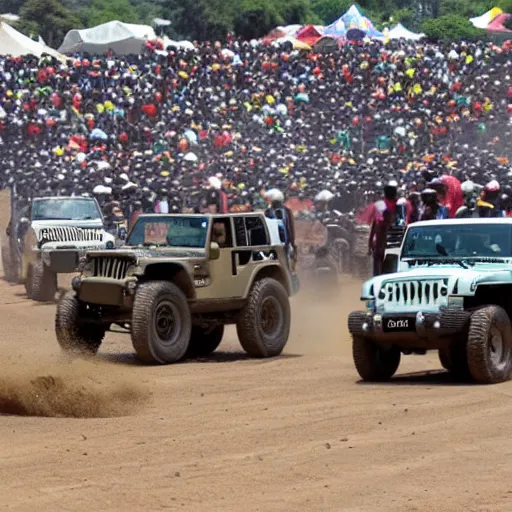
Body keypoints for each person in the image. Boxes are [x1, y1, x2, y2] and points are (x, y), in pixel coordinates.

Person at [264, 188, 297, 271]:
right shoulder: (270, 211)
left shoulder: (283, 211)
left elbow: (290, 227)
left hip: (280, 242)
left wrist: (292, 243)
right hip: (278, 242)